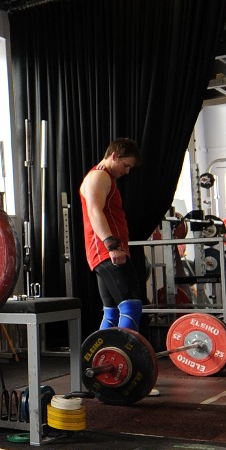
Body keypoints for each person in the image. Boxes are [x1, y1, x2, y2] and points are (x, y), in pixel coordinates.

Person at [80, 138, 144, 331]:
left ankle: (104, 351)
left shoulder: (104, 177)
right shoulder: (99, 176)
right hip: (106, 251)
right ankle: (124, 350)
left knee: (112, 313)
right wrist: (112, 246)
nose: (127, 171)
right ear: (114, 156)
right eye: (125, 165)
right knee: (131, 307)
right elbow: (94, 212)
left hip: (104, 252)